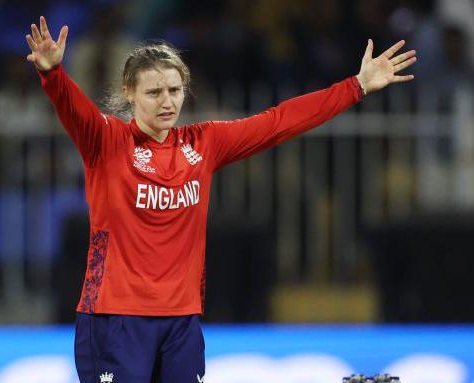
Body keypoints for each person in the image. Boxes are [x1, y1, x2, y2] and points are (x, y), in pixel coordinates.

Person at [25, 15, 416, 383]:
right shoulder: (107, 142)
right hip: (114, 319)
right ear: (129, 93)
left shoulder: (203, 143)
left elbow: (278, 122)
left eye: (175, 91)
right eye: (154, 92)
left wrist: (356, 86)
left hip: (182, 322)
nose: (167, 102)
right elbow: (73, 111)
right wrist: (52, 73)